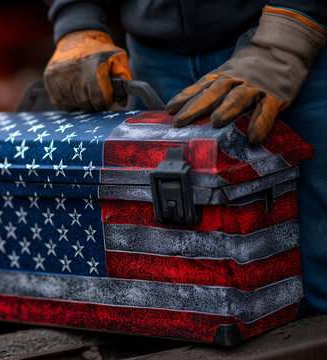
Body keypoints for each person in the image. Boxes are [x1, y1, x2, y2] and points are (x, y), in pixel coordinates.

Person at [43, 0, 327, 314]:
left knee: (319, 274)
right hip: (156, 54)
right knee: (180, 291)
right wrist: (76, 20)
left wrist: (287, 39)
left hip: (291, 32)